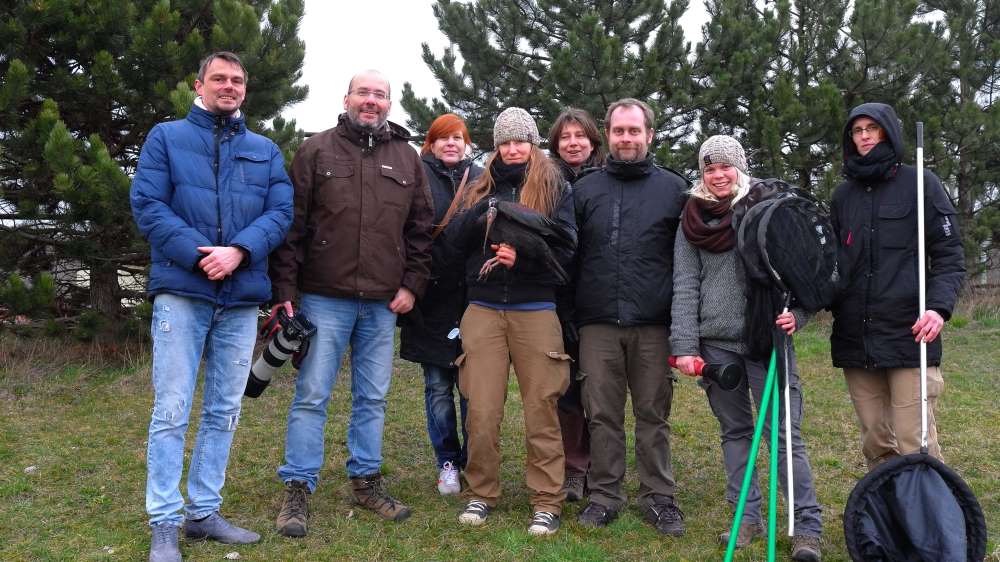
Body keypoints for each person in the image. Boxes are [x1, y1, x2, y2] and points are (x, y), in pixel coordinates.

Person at [130, 51, 293, 562]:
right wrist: (203, 257)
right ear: (198, 85)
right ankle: (165, 520)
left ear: (245, 90)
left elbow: (281, 210)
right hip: (183, 292)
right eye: (218, 78)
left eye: (237, 80)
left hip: (241, 298)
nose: (228, 86)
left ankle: (204, 511)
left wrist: (240, 251)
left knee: (224, 409)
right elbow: (148, 205)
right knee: (172, 409)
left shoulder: (265, 150)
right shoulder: (166, 139)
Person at [268, 70, 434, 535]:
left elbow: (421, 229)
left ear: (389, 104)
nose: (371, 101)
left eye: (380, 95)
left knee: (373, 398)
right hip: (324, 299)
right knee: (312, 395)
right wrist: (286, 294)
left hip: (383, 303)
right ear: (346, 98)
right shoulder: (315, 150)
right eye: (364, 93)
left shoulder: (407, 157)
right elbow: (291, 228)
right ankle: (298, 487)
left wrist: (412, 285)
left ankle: (366, 481)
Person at [670, 135, 823, 561]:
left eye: (725, 166)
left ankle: (806, 527)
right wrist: (684, 346)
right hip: (716, 347)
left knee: (783, 436)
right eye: (709, 168)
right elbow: (685, 285)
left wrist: (802, 316)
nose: (717, 175)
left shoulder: (768, 210)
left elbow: (806, 271)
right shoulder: (692, 221)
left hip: (766, 340)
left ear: (740, 168)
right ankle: (745, 519)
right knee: (735, 433)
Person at [442, 107, 576, 536]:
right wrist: (480, 216)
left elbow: (569, 252)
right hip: (482, 311)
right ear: (495, 145)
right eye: (505, 141)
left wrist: (526, 258)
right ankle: (481, 492)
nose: (513, 148)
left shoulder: (555, 186)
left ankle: (547, 499)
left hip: (536, 310)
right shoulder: (477, 185)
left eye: (521, 140)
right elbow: (451, 246)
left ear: (533, 143)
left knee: (542, 408)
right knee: (480, 409)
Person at [572, 98, 688, 535]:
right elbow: (570, 256)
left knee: (653, 414)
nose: (626, 139)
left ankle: (659, 496)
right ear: (608, 134)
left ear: (649, 135)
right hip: (598, 322)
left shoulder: (674, 190)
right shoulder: (584, 190)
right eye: (619, 131)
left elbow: (688, 261)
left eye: (634, 131)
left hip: (653, 325)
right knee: (602, 414)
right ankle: (604, 495)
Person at [831, 103, 964, 469]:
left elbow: (950, 255)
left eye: (871, 128)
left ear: (888, 132)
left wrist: (938, 308)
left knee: (914, 440)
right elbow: (829, 265)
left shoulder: (922, 182)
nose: (864, 136)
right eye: (857, 130)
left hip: (910, 334)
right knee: (876, 441)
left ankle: (932, 522)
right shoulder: (843, 196)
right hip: (856, 337)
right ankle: (887, 520)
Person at [399, 113, 482, 495]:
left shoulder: (483, 178)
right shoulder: (415, 175)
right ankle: (446, 461)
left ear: (467, 143)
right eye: (443, 138)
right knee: (437, 386)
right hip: (429, 296)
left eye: (458, 137)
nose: (451, 143)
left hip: (473, 297)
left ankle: (474, 461)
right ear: (430, 143)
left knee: (472, 386)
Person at [545, 108, 605, 502]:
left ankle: (602, 467)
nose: (572, 143)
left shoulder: (606, 181)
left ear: (593, 141)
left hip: (600, 301)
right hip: (557, 300)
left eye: (579, 136)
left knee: (599, 391)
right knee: (565, 391)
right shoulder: (544, 181)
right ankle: (573, 467)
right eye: (565, 137)